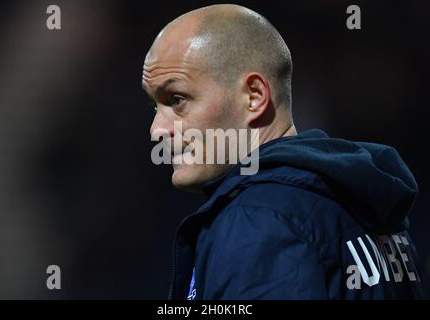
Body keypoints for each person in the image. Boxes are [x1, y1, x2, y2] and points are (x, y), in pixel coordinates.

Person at [142, 4, 423, 299]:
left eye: (177, 99)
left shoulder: (258, 219)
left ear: (254, 96)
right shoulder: (371, 210)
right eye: (154, 106)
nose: (157, 130)